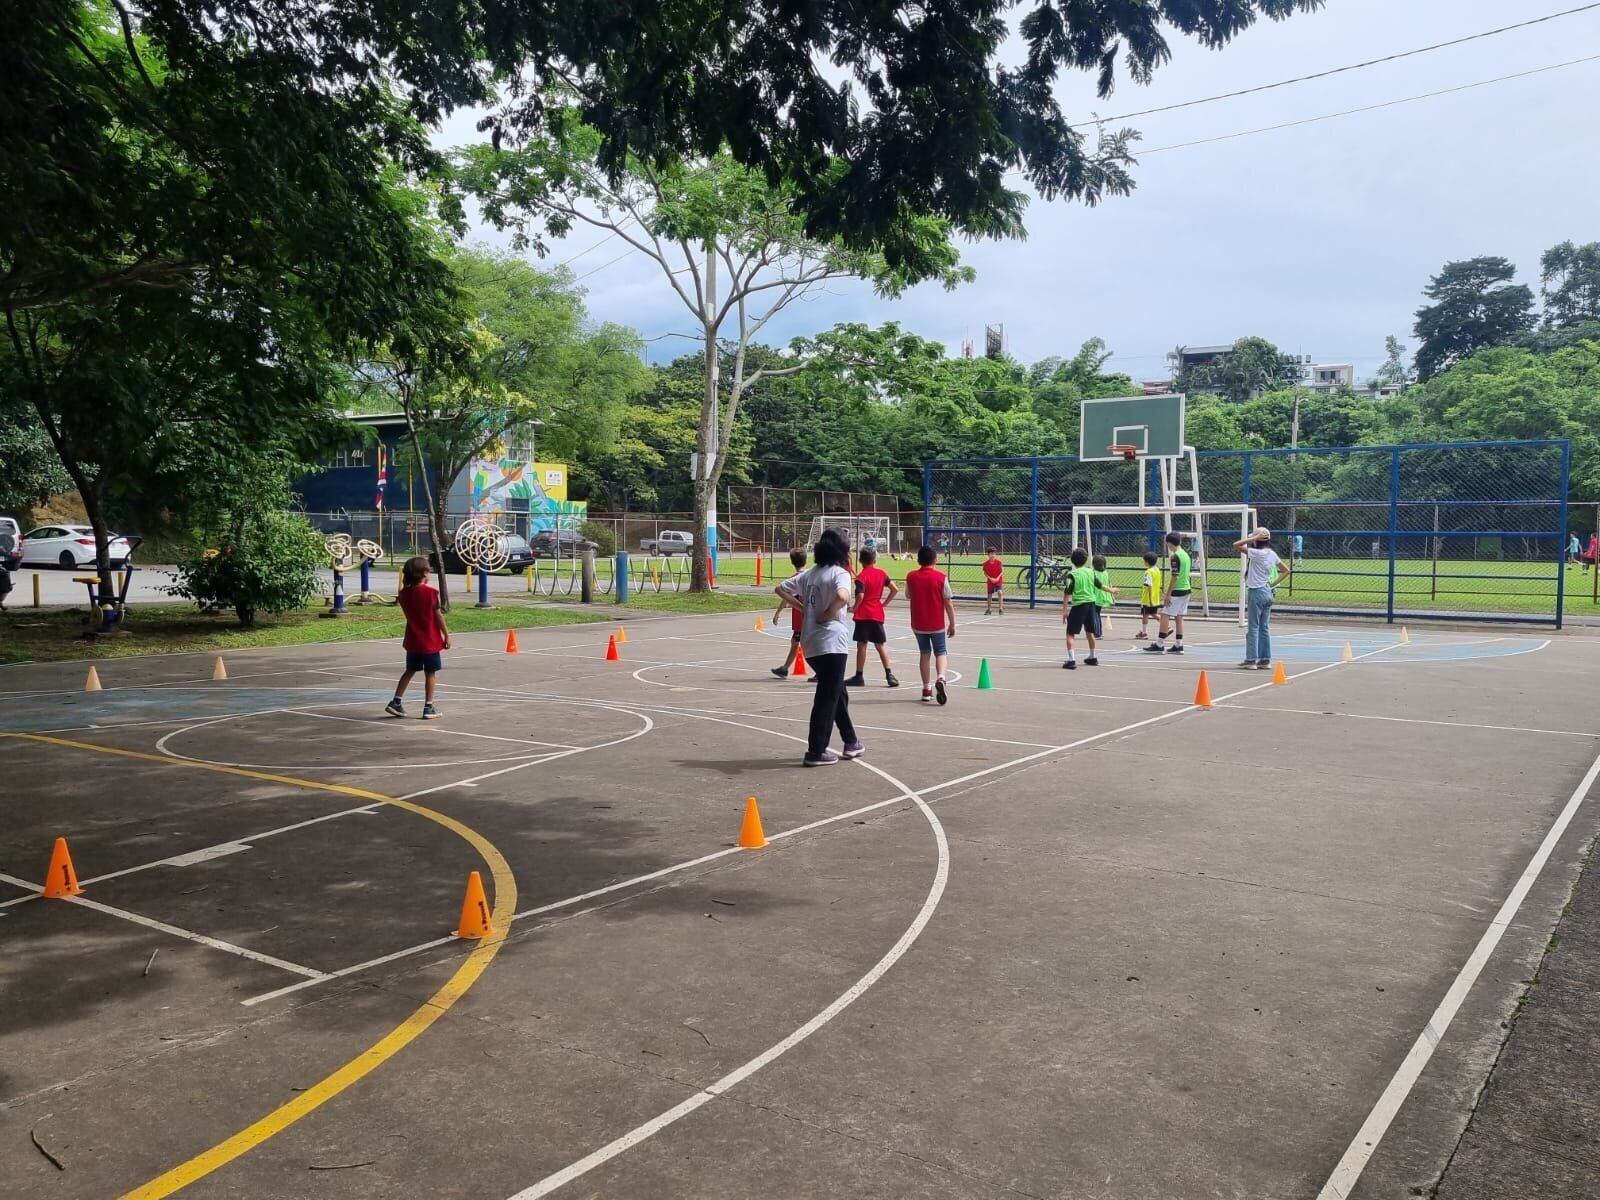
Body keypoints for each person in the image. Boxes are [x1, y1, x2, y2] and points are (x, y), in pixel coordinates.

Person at [777, 529, 861, 766]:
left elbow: (780, 588)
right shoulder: (839, 573)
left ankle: (851, 740)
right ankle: (816, 750)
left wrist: (803, 608)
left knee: (836, 691)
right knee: (827, 696)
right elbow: (844, 597)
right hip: (832, 642)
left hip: (810, 641)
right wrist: (828, 613)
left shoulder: (810, 574)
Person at [387, 555, 450, 719]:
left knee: (410, 670)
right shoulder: (430, 593)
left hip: (413, 639)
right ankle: (428, 706)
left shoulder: (404, 594)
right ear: (424, 573)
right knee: (430, 672)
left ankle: (396, 701)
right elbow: (438, 616)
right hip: (429, 639)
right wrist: (446, 635)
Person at [904, 544, 956, 704]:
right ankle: (941, 677)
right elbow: (948, 602)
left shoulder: (911, 576)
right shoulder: (941, 577)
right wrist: (952, 623)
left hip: (918, 623)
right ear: (935, 559)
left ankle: (926, 689)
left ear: (918, 560)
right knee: (940, 651)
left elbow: (908, 595)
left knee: (924, 654)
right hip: (936, 622)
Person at [1233, 527, 1290, 669]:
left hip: (1256, 592)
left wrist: (1253, 538)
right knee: (1264, 627)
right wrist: (1271, 584)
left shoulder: (1257, 553)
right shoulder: (1271, 553)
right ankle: (1265, 659)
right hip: (1267, 591)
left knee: (1253, 627)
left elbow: (1236, 545)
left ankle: (1251, 659)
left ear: (1257, 540)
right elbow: (1286, 570)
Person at [847, 546, 900, 688]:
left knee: (862, 645)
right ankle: (889, 674)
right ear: (874, 559)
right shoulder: (882, 574)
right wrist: (884, 603)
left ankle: (859, 676)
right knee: (880, 645)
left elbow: (860, 596)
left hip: (864, 614)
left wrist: (853, 608)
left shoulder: (861, 577)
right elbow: (895, 589)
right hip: (876, 612)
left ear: (860, 560)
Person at [1144, 532, 1192, 654]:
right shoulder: (1186, 555)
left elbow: (1175, 576)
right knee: (1179, 617)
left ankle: (1159, 644)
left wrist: (1168, 593)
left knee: (1165, 614)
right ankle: (1178, 644)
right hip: (1186, 589)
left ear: (1170, 543)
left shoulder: (1175, 556)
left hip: (1177, 590)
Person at [770, 548, 809, 679]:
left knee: (799, 643)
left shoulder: (795, 578)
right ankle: (785, 668)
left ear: (792, 562)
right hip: (806, 614)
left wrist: (777, 612)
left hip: (801, 616)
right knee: (797, 642)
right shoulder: (810, 575)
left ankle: (786, 669)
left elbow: (786, 596)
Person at [1061, 547, 1100, 669]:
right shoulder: (1091, 572)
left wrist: (1065, 611)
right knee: (1090, 632)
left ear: (1072, 560)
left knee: (1070, 633)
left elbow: (1067, 593)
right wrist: (1111, 590)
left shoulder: (1071, 575)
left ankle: (1071, 660)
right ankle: (1093, 657)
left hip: (1079, 606)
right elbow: (1100, 585)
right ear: (1085, 559)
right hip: (1091, 605)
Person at [1135, 552, 1162, 640]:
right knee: (1154, 614)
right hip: (1156, 597)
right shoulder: (1157, 570)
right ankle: (1167, 626)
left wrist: (1150, 599)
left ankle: (1144, 633)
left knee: (1145, 615)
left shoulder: (1148, 572)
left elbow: (1149, 585)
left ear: (1146, 562)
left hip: (1148, 599)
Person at [1091, 554, 1119, 636]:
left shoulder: (1093, 573)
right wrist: (1112, 595)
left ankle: (1097, 633)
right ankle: (1099, 632)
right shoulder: (1106, 573)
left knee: (1095, 615)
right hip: (1103, 596)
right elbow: (1109, 584)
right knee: (1097, 614)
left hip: (1095, 596)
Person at [982, 547, 1005, 615]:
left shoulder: (999, 562)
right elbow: (985, 573)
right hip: (990, 581)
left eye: (994, 554)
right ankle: (989, 609)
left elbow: (1002, 571)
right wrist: (990, 578)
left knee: (1000, 592)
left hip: (998, 580)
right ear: (988, 555)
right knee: (989, 595)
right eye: (991, 554)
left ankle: (1001, 608)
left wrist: (997, 578)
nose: (993, 555)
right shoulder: (985, 564)